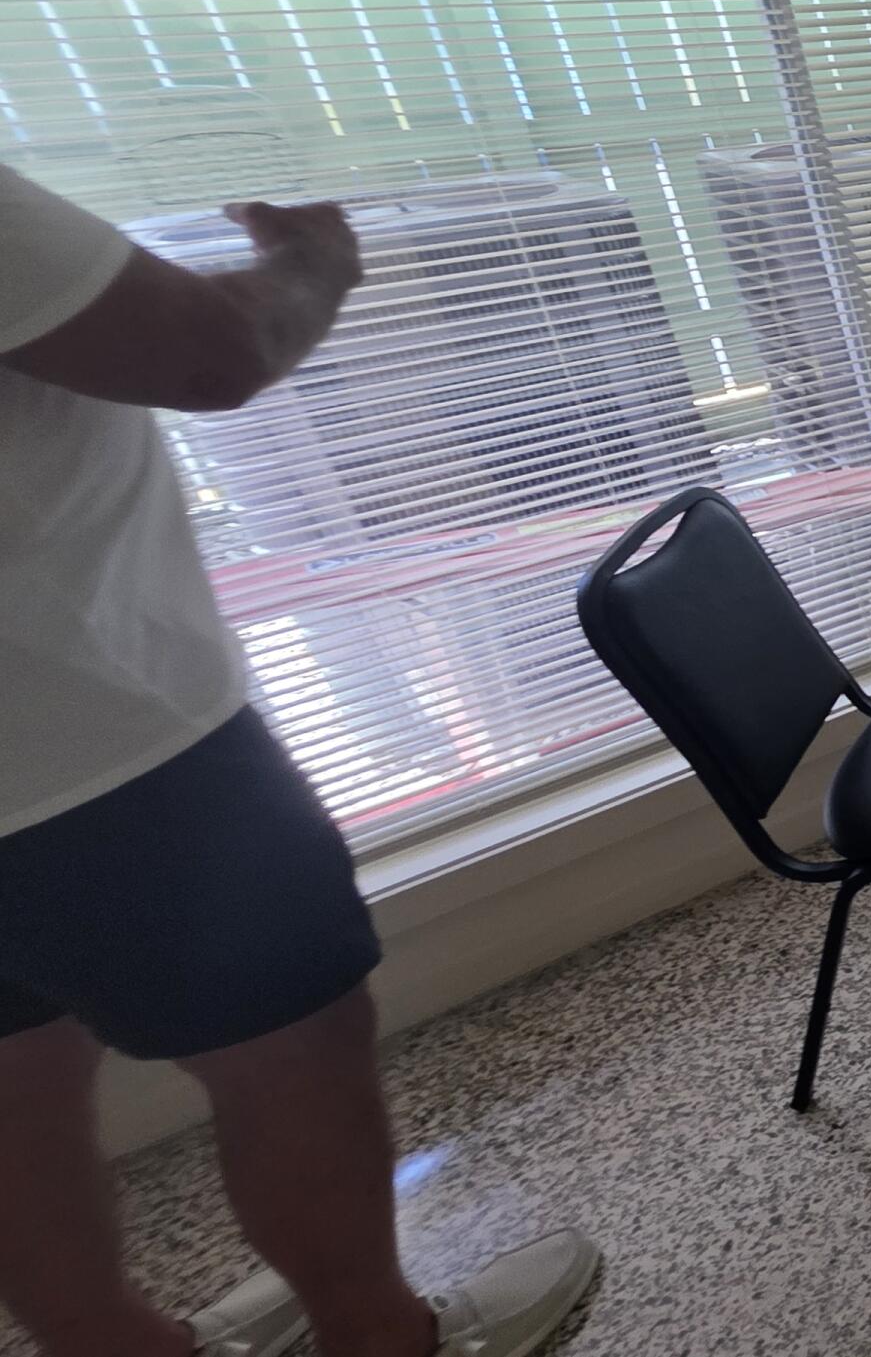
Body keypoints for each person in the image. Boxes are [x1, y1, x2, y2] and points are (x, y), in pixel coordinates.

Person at [0, 162, 599, 1357]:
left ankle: (105, 1340)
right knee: (291, 1055)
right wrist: (313, 263)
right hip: (100, 753)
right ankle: (384, 1336)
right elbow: (207, 353)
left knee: (12, 1083)